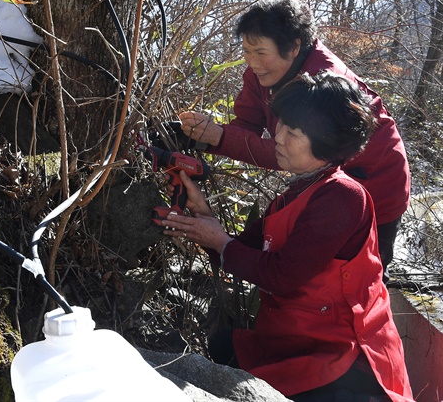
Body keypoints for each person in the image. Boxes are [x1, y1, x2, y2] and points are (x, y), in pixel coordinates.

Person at [162, 72, 413, 402]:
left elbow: (280, 275)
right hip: (296, 340)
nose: (277, 137)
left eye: (291, 132)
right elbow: (243, 251)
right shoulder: (297, 192)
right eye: (280, 125)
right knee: (223, 346)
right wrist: (204, 217)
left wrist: (221, 241)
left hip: (342, 357)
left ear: (327, 143)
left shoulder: (343, 196)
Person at [177, 0, 410, 282]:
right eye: (247, 52)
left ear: (294, 47)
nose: (252, 62)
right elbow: (247, 125)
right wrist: (200, 137)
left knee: (358, 274)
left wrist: (220, 137)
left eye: (260, 52)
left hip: (376, 179)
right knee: (299, 272)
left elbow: (292, 152)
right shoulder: (262, 73)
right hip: (317, 178)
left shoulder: (319, 87)